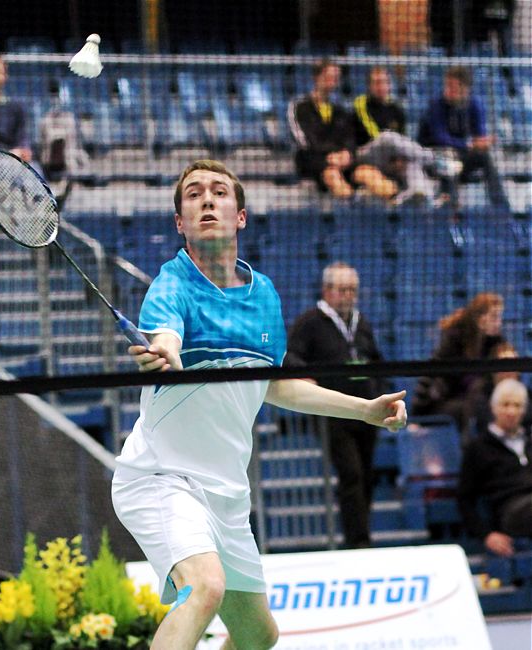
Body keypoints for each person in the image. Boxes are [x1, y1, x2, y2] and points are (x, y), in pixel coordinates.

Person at [111, 160, 407, 650]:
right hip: (164, 477)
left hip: (227, 494)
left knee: (257, 635)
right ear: (180, 222)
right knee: (203, 587)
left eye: (220, 192)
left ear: (241, 215)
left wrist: (365, 408)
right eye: (194, 194)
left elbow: (278, 386)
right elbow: (167, 340)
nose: (208, 199)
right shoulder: (171, 285)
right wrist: (164, 352)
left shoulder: (264, 293)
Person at [285, 262, 385, 549]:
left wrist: (380, 391)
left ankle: (361, 534)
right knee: (350, 473)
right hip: (333, 413)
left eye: (353, 290)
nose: (348, 296)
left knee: (366, 474)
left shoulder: (361, 322)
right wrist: (308, 379)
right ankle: (358, 542)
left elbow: (375, 360)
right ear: (327, 291)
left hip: (367, 410)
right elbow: (291, 356)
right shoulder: (310, 322)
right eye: (342, 290)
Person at [288, 59, 398, 200]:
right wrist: (330, 156)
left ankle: (397, 201)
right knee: (332, 175)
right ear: (316, 77)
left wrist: (347, 154)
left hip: (343, 161)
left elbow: (350, 139)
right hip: (313, 163)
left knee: (368, 172)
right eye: (328, 77)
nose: (332, 81)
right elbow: (304, 141)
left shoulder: (341, 111)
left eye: (335, 78)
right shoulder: (299, 107)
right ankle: (349, 208)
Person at [411, 292, 505, 440]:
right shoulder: (455, 338)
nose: (499, 323)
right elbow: (431, 375)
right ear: (480, 318)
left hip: (478, 402)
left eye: (500, 317)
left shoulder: (496, 343)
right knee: (468, 407)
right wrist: (417, 418)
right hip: (447, 402)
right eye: (494, 317)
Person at [457, 378, 532, 557]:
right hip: (510, 511)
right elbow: (464, 499)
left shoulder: (530, 441)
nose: (511, 411)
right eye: (505, 404)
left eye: (517, 405)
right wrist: (486, 535)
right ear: (493, 407)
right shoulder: (478, 447)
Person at [417, 65, 509, 208]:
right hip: (433, 159)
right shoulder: (436, 106)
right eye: (447, 85)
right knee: (449, 159)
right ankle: (450, 210)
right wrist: (469, 144)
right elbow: (440, 138)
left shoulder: (474, 105)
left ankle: (501, 207)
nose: (449, 90)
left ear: (465, 89)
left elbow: (480, 136)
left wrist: (482, 142)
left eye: (453, 87)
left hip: (460, 159)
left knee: (484, 157)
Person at [353, 66, 438, 204]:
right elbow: (375, 134)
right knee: (387, 136)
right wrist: (395, 154)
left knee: (412, 161)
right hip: (366, 155)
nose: (381, 86)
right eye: (377, 83)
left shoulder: (396, 109)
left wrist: (400, 158)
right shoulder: (361, 104)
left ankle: (421, 195)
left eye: (385, 82)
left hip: (391, 157)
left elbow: (402, 140)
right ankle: (432, 157)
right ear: (369, 86)